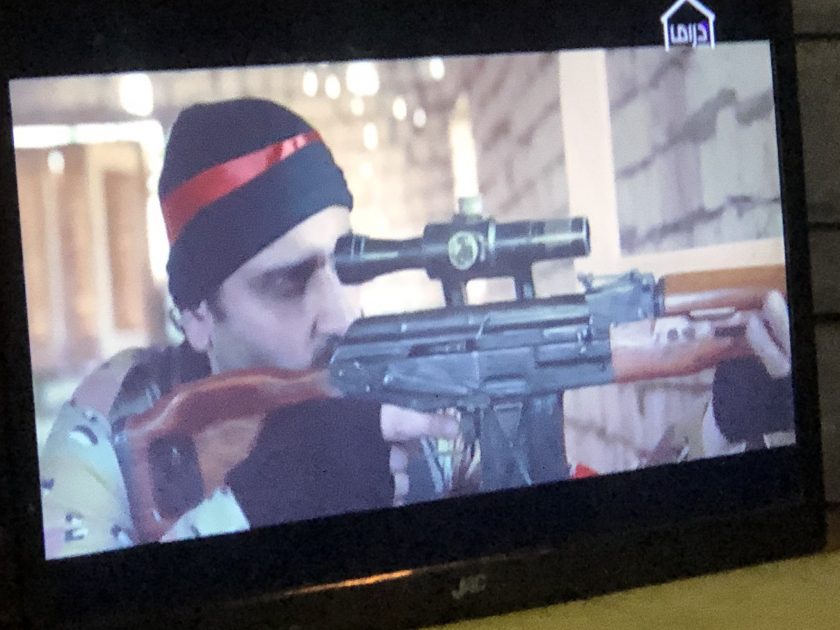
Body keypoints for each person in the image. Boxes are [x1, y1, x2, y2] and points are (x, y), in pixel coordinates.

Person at [37, 98, 794, 560]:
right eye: (288, 281)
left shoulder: (400, 392)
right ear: (198, 315)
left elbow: (556, 546)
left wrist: (720, 432)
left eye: (347, 263)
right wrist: (260, 507)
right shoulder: (113, 427)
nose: (340, 312)